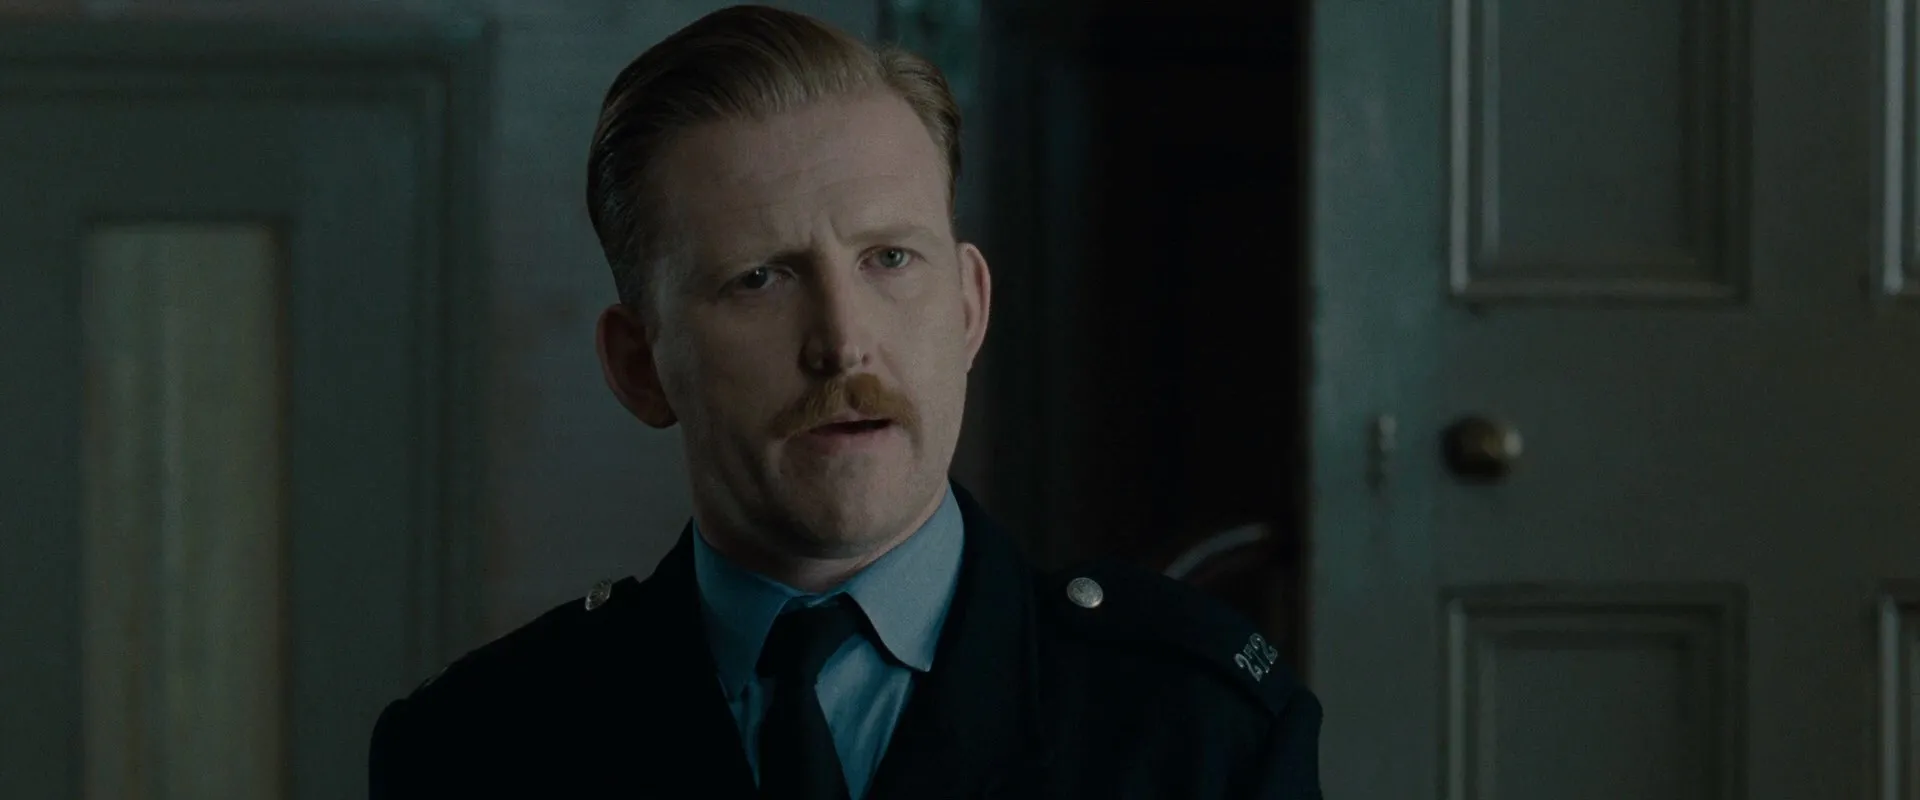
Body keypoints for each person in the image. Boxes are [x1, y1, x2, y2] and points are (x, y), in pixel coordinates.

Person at [367, 5, 1322, 798]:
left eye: (889, 259)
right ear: (639, 365)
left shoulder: (1197, 726)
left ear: (968, 305)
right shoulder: (475, 750)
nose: (842, 341)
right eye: (759, 278)